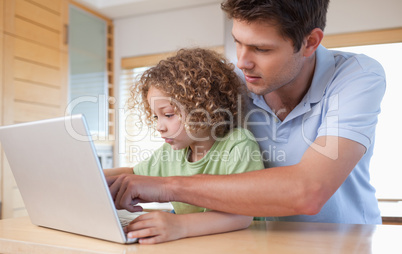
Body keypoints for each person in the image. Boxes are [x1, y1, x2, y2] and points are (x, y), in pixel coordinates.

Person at [108, 0, 386, 225]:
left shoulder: (356, 77)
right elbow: (155, 167)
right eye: (237, 42)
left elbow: (308, 191)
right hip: (265, 242)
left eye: (261, 48)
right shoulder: (235, 87)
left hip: (347, 241)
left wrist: (166, 187)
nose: (242, 62)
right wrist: (84, 177)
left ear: (310, 42)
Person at [105, 48, 264, 244]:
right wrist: (96, 176)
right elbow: (133, 173)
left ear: (205, 107)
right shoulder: (172, 152)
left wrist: (179, 225)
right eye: (156, 116)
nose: (159, 127)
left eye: (169, 115)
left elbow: (243, 215)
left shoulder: (237, 144)